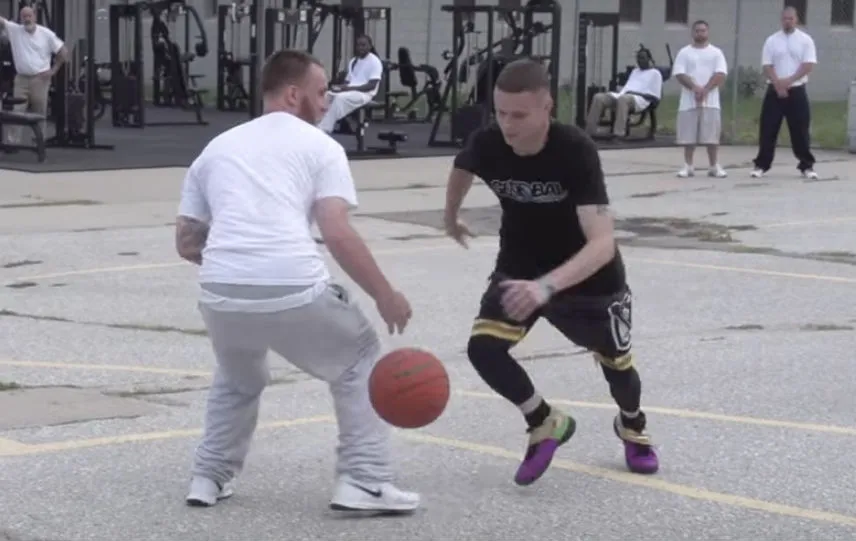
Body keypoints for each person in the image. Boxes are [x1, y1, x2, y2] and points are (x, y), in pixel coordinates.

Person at [175, 49, 419, 513]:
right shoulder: (321, 147)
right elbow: (337, 230)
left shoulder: (217, 148)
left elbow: (187, 241)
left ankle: (208, 477)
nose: (327, 102)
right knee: (359, 358)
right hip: (290, 284)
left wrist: (239, 260)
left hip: (220, 292)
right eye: (322, 91)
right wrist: (385, 295)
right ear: (293, 95)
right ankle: (364, 481)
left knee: (237, 377)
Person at [444, 58, 659, 487]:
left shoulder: (574, 150)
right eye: (500, 112)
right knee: (483, 349)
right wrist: (450, 215)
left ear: (547, 108)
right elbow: (462, 166)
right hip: (520, 264)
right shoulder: (488, 142)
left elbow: (602, 243)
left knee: (618, 367)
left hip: (588, 277)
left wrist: (548, 286)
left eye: (519, 115)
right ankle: (544, 422)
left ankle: (632, 426)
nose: (507, 124)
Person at [751, 6, 818, 180]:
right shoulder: (772, 40)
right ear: (781, 20)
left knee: (800, 129)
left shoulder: (805, 40)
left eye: (791, 19)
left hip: (796, 89)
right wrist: (777, 83)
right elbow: (767, 65)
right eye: (785, 19)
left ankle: (806, 166)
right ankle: (761, 165)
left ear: (796, 19)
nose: (787, 22)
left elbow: (808, 64)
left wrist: (789, 81)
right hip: (775, 90)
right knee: (768, 128)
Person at [0, 6, 67, 144]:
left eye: (29, 16)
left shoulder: (46, 34)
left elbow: (63, 52)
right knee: (17, 111)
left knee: (40, 111)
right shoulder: (15, 30)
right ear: (21, 18)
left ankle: (40, 141)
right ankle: (13, 142)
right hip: (21, 78)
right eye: (24, 16)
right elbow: (2, 21)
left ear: (35, 16)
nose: (27, 19)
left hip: (40, 79)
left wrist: (53, 71)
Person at [672, 20, 729, 178]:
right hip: (688, 102)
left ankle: (714, 166)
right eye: (697, 30)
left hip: (711, 103)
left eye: (703, 30)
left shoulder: (716, 53)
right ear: (692, 33)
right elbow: (679, 73)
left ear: (708, 32)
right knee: (688, 137)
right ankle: (688, 166)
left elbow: (720, 73)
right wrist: (695, 88)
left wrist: (705, 90)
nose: (700, 33)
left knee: (712, 136)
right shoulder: (684, 53)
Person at [585, 49, 663, 139]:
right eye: (638, 58)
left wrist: (633, 93)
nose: (639, 60)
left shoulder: (655, 74)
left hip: (640, 100)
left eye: (642, 58)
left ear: (649, 59)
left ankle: (618, 133)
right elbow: (628, 87)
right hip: (624, 95)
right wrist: (623, 92)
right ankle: (589, 131)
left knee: (623, 99)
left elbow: (654, 95)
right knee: (598, 97)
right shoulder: (635, 71)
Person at [317, 34, 384, 134]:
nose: (360, 48)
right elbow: (348, 81)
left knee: (340, 98)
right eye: (358, 45)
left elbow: (371, 86)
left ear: (370, 46)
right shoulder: (354, 61)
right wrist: (340, 87)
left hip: (365, 94)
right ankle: (316, 123)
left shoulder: (375, 62)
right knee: (327, 95)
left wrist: (348, 89)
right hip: (351, 91)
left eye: (363, 45)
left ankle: (325, 128)